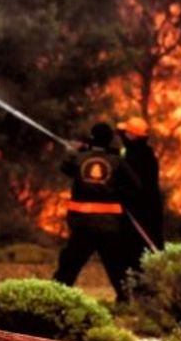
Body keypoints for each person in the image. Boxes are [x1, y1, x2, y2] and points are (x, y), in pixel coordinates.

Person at [53, 122, 142, 301]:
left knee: (70, 265)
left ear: (91, 138)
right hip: (109, 225)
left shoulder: (79, 159)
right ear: (110, 140)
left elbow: (65, 168)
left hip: (82, 224)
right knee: (116, 265)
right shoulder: (117, 161)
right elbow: (136, 186)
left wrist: (75, 151)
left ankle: (54, 297)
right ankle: (126, 300)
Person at [119, 117, 164, 250]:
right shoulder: (144, 153)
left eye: (125, 133)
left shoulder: (138, 156)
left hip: (140, 208)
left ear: (132, 136)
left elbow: (136, 184)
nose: (122, 136)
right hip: (146, 206)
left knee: (142, 245)